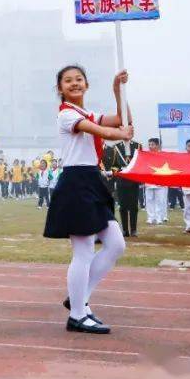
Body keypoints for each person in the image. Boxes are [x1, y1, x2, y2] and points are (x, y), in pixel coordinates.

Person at [44, 65, 130, 335]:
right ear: (60, 89)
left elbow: (121, 119)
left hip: (93, 180)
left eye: (79, 79)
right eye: (68, 81)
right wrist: (122, 135)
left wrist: (119, 91)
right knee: (83, 252)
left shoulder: (87, 112)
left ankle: (78, 298)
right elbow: (104, 132)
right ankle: (78, 315)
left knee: (116, 245)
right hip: (76, 183)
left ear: (87, 84)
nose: (74, 83)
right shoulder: (67, 114)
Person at [103, 140, 141, 238]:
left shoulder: (138, 146)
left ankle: (133, 230)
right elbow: (114, 165)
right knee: (123, 206)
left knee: (133, 206)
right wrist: (116, 172)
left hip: (133, 179)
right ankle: (125, 230)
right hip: (121, 180)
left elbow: (140, 162)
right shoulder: (116, 147)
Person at [143, 138, 167, 225]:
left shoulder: (162, 155)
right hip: (149, 181)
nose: (150, 146)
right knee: (149, 200)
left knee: (159, 200)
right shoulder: (146, 155)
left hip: (159, 182)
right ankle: (150, 217)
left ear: (157, 145)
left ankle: (159, 217)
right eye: (149, 144)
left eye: (152, 144)